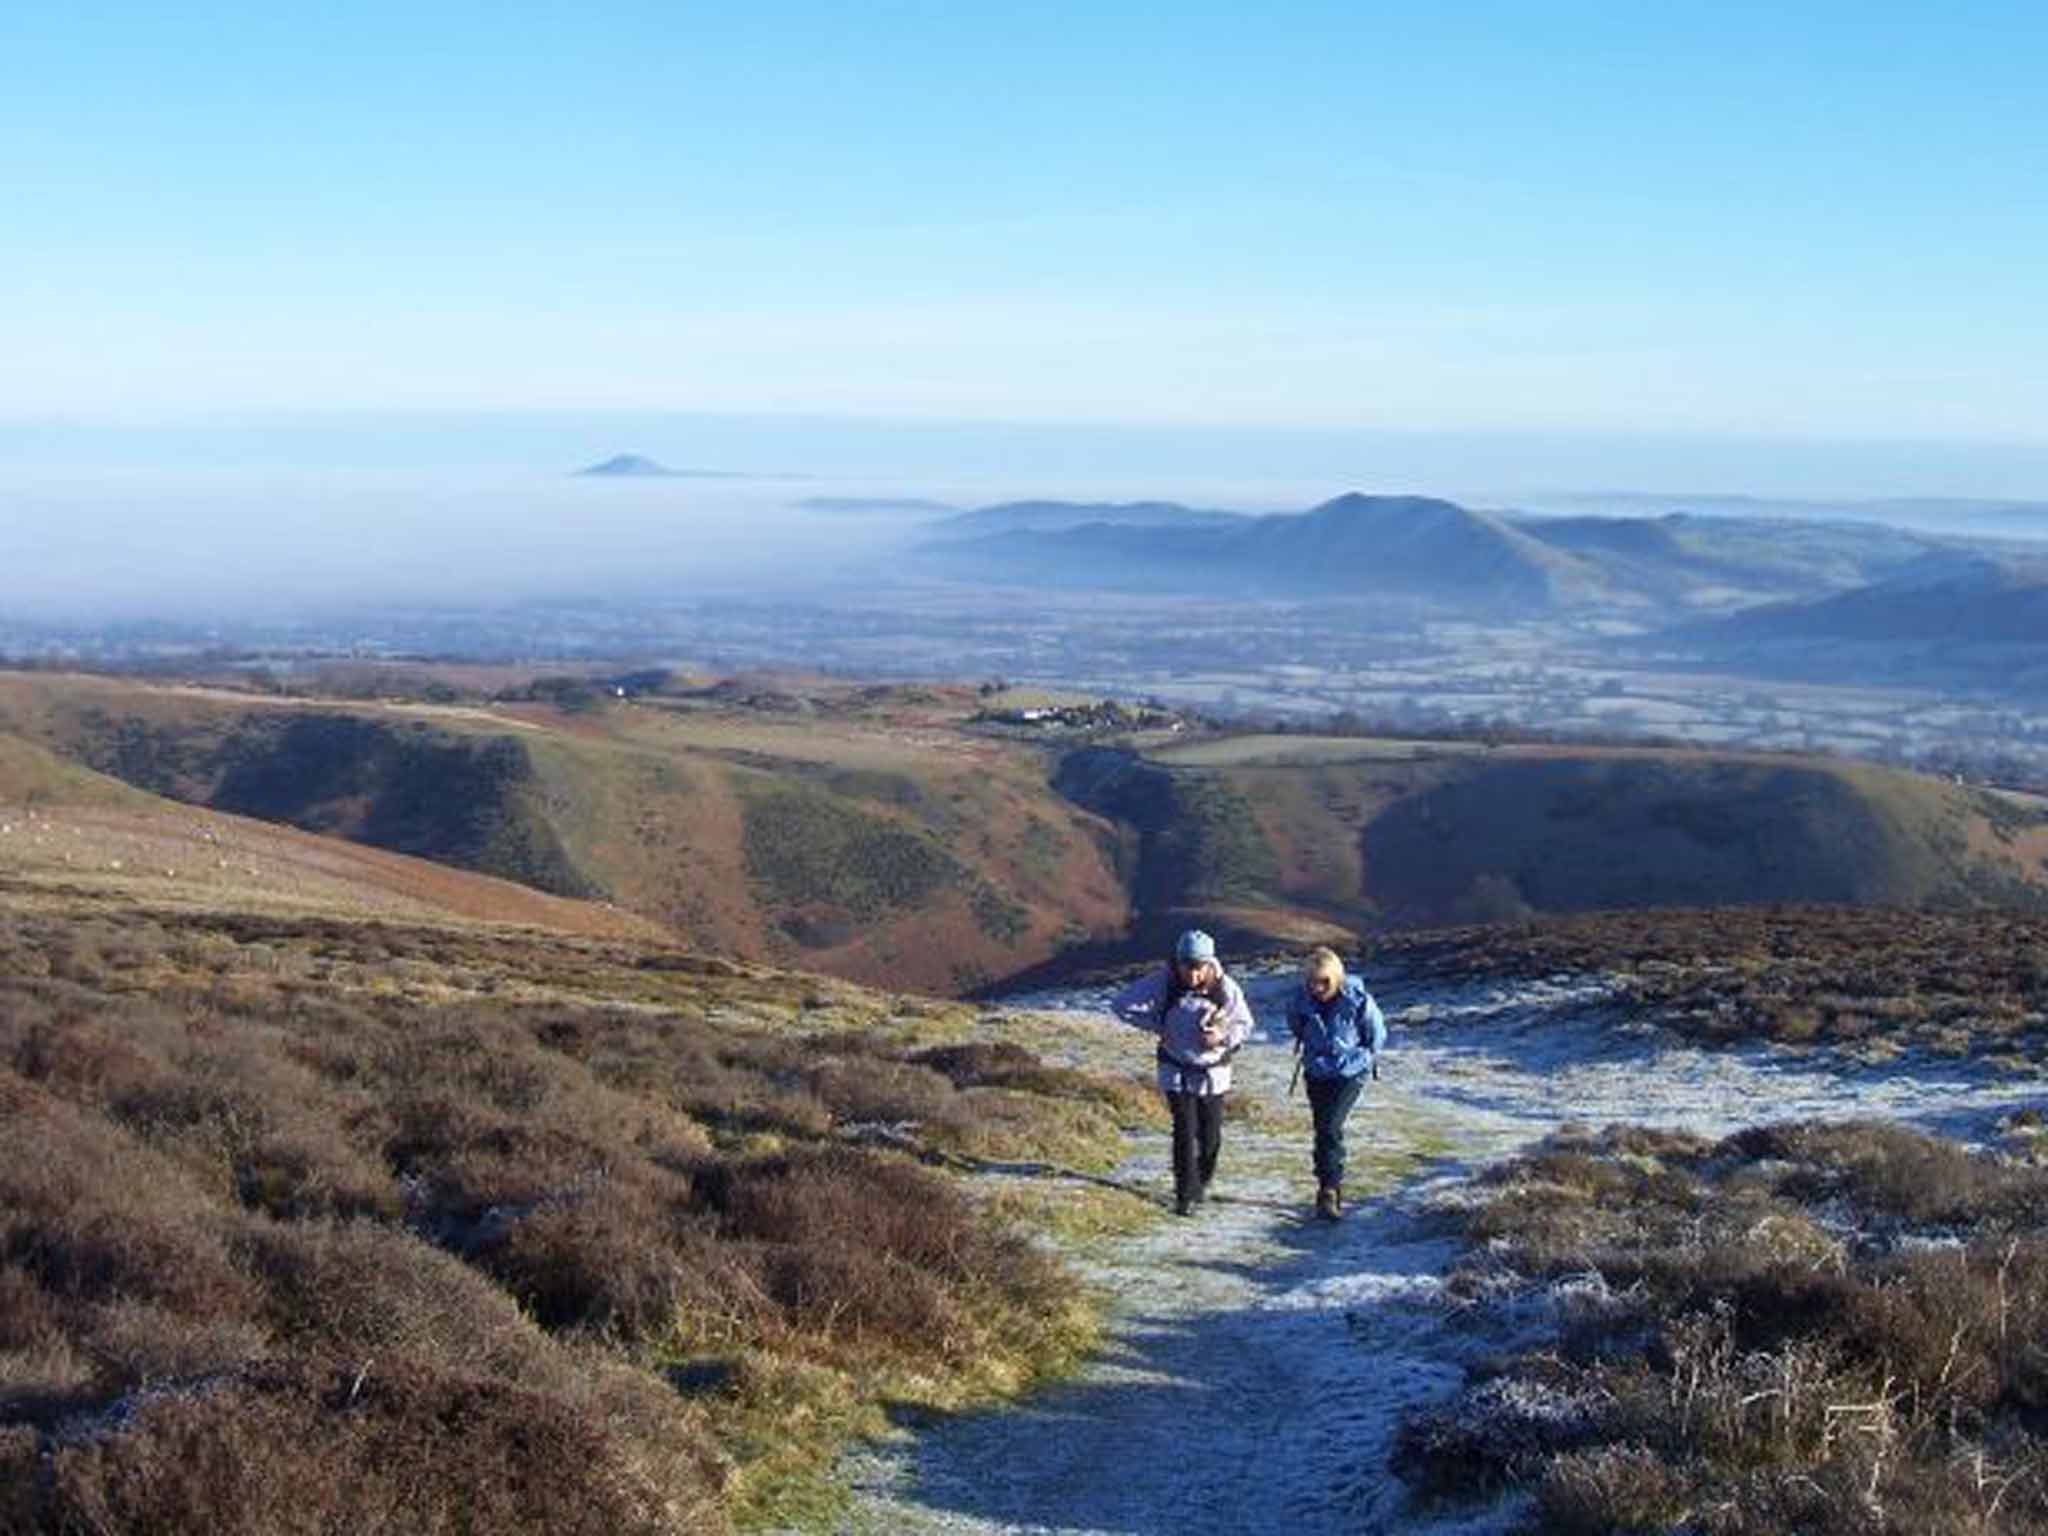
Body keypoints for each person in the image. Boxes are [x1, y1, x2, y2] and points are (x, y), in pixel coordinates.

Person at [1111, 928, 1255, 1216]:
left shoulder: (1226, 988)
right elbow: (1121, 1005)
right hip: (1175, 1069)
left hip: (1213, 1073)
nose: (1192, 974)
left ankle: (1202, 1179)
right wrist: (1156, 1025)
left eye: (1198, 967)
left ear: (1209, 964)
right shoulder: (1164, 981)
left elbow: (1245, 1025)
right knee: (1184, 1130)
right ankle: (1184, 1194)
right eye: (1186, 966)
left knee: (1210, 1135)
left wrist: (1221, 1037)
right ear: (1177, 962)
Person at [1287, 946, 1386, 1221]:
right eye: (1312, 981)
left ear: (1337, 978)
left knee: (1331, 1125)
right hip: (1316, 1071)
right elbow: (1295, 1026)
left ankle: (1329, 1189)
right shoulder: (1300, 1001)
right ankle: (1327, 1186)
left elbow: (1376, 1034)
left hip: (1349, 1073)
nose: (1317, 987)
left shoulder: (1358, 1000)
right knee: (1323, 1128)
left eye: (1324, 981)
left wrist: (1362, 1057)